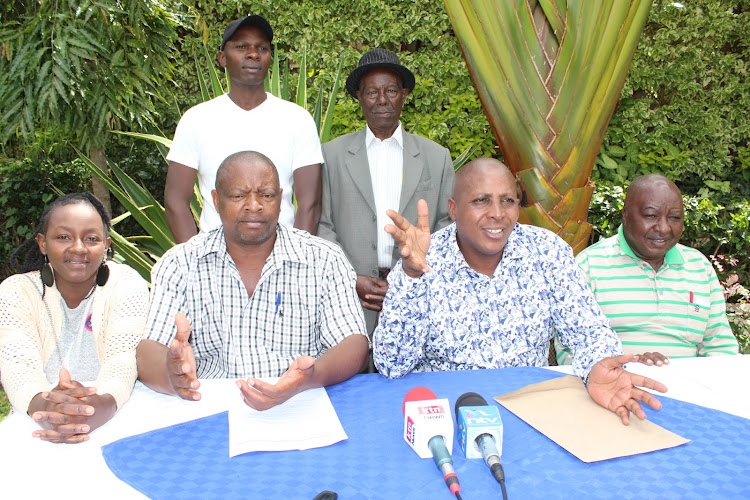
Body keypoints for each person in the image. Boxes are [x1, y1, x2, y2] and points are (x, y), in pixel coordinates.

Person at [373, 158, 667, 425]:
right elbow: (391, 364)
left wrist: (599, 366)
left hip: (530, 412)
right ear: (453, 209)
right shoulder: (423, 258)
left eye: (508, 200)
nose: (497, 214)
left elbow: (589, 331)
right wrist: (411, 275)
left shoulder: (545, 252)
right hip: (444, 414)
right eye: (481, 201)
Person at [137, 151, 369, 410]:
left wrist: (309, 377)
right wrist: (173, 374)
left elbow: (354, 343)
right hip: (208, 406)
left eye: (267, 195)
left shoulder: (324, 259)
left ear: (281, 200)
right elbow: (149, 350)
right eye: (238, 195)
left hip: (303, 404)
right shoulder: (179, 264)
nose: (254, 205)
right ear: (216, 200)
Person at [319, 48, 454, 335]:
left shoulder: (436, 156)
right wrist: (350, 278)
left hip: (417, 293)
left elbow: (447, 225)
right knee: (352, 376)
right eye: (372, 92)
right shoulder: (331, 155)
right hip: (350, 298)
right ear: (359, 97)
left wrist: (411, 274)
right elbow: (323, 224)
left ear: (404, 94)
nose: (382, 100)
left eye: (391, 90)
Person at [0, 193, 149, 443]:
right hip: (34, 425)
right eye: (63, 237)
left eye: (91, 238)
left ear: (106, 245)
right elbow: (17, 367)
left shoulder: (125, 283)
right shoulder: (15, 291)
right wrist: (49, 409)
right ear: (42, 243)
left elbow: (123, 359)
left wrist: (99, 406)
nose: (78, 247)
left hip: (116, 420)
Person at [164, 14, 323, 243]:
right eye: (241, 46)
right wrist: (197, 260)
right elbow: (175, 201)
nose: (253, 54)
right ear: (222, 58)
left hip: (281, 256)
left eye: (262, 48)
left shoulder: (297, 120)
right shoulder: (196, 120)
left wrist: (296, 256)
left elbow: (310, 203)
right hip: (214, 257)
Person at [555, 174, 739, 367]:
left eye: (674, 218)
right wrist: (628, 366)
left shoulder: (698, 266)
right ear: (625, 215)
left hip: (688, 388)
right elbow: (570, 350)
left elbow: (720, 346)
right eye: (651, 216)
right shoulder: (589, 266)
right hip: (613, 389)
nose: (664, 228)